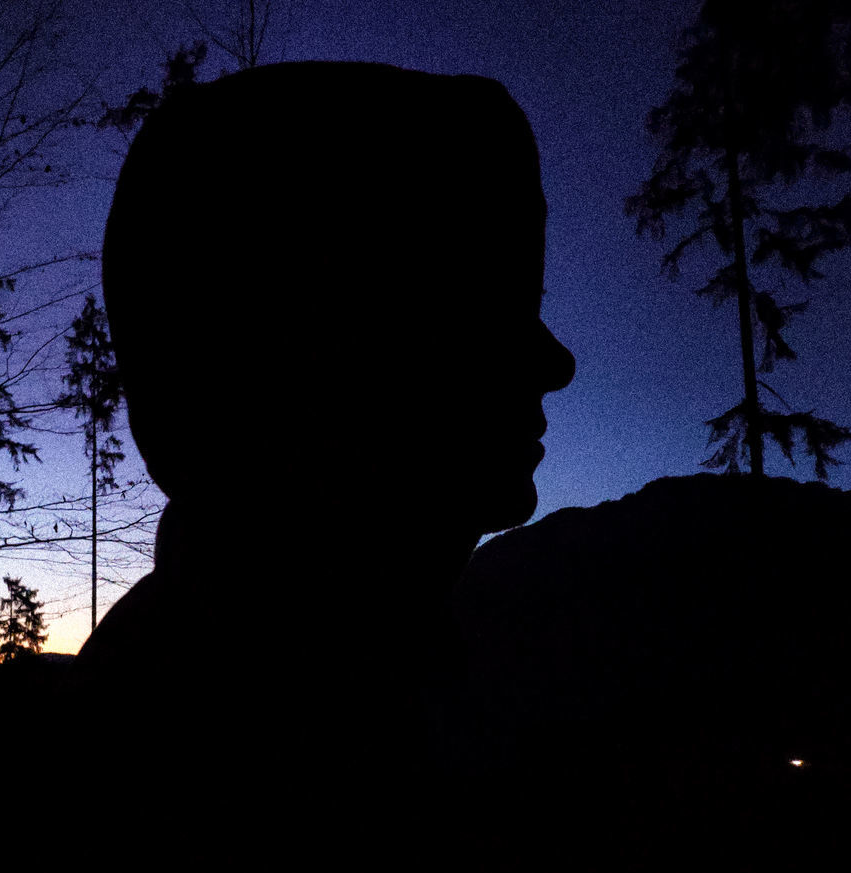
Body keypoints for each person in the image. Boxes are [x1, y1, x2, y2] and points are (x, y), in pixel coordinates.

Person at [63, 61, 574, 864]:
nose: (555, 363)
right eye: (482, 309)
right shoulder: (219, 771)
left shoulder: (372, 692)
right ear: (333, 349)